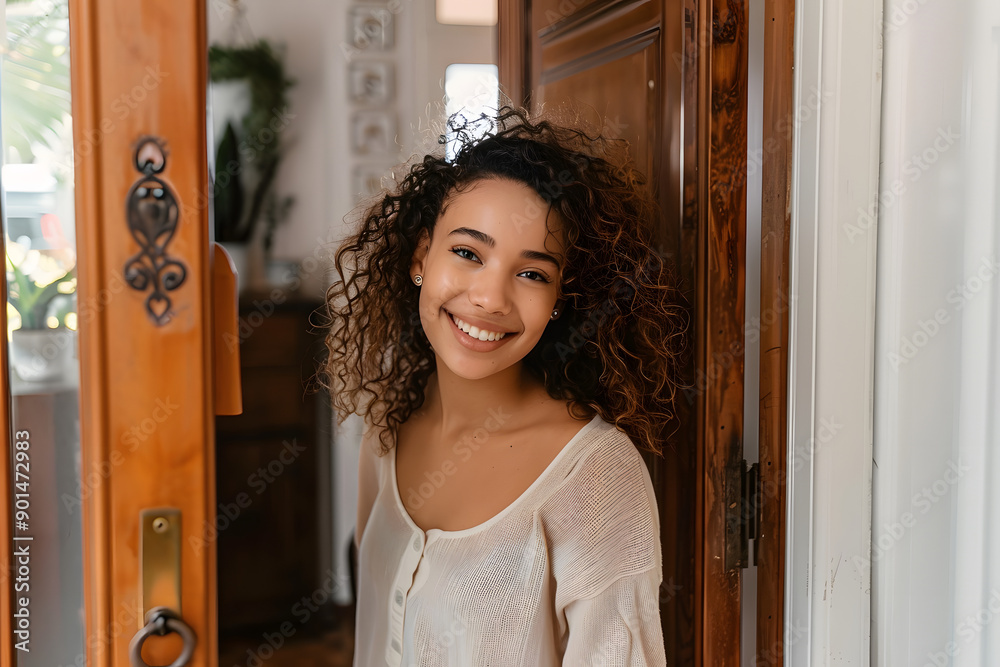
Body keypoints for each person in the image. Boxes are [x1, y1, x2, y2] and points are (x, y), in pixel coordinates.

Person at [319, 104, 689, 666]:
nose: (491, 298)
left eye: (532, 272)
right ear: (422, 256)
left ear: (560, 297)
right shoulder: (387, 427)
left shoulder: (595, 475)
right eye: (468, 253)